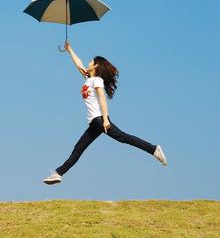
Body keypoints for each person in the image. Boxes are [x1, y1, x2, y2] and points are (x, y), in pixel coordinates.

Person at [43, 41, 167, 185]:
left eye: (91, 61)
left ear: (96, 66)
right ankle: (58, 173)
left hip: (99, 120)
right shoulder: (89, 79)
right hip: (94, 123)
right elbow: (79, 65)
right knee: (78, 148)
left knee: (123, 137)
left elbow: (102, 98)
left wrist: (106, 119)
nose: (88, 62)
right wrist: (70, 50)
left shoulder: (97, 81)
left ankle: (153, 149)